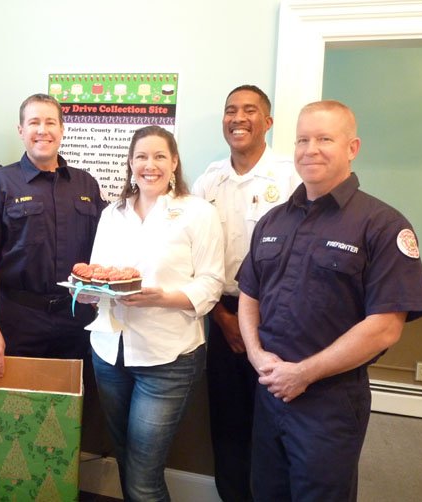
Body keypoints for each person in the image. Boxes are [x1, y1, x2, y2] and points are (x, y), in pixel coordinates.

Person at [238, 100, 422, 501]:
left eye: (325, 138)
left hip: (330, 402)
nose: (311, 149)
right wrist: (257, 356)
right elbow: (248, 294)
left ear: (352, 148)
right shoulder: (273, 221)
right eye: (303, 140)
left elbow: (385, 327)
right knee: (265, 492)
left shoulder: (383, 224)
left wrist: (304, 373)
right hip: (269, 391)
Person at [87, 125, 225, 501]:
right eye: (141, 157)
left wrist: (162, 298)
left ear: (175, 161)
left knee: (144, 477)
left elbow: (212, 283)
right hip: (108, 351)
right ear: (130, 163)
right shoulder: (112, 213)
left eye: (159, 156)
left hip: (168, 358)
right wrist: (88, 293)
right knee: (126, 460)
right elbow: (98, 272)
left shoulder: (197, 213)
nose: (150, 165)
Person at [192, 84, 299, 502]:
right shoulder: (208, 181)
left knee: (275, 421)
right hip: (221, 313)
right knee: (227, 421)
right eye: (230, 110)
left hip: (278, 316)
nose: (238, 118)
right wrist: (222, 316)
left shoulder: (290, 177)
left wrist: (252, 323)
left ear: (268, 122)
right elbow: (195, 260)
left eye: (250, 110)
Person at [0, 93, 105, 380]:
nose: (42, 130)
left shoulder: (86, 183)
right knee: (19, 413)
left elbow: (103, 247)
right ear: (21, 130)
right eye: (33, 122)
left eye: (50, 122)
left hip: (77, 321)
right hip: (19, 322)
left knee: (73, 413)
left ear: (62, 129)